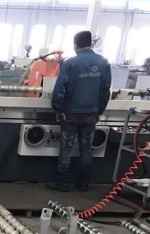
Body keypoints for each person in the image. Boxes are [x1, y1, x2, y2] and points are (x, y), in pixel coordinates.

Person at [48, 30, 111, 192]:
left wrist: (58, 108)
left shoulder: (70, 63)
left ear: (75, 45)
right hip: (91, 114)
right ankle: (83, 183)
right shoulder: (104, 63)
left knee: (66, 148)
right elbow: (105, 90)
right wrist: (99, 111)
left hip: (70, 114)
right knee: (87, 149)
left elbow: (59, 89)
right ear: (90, 43)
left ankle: (61, 182)